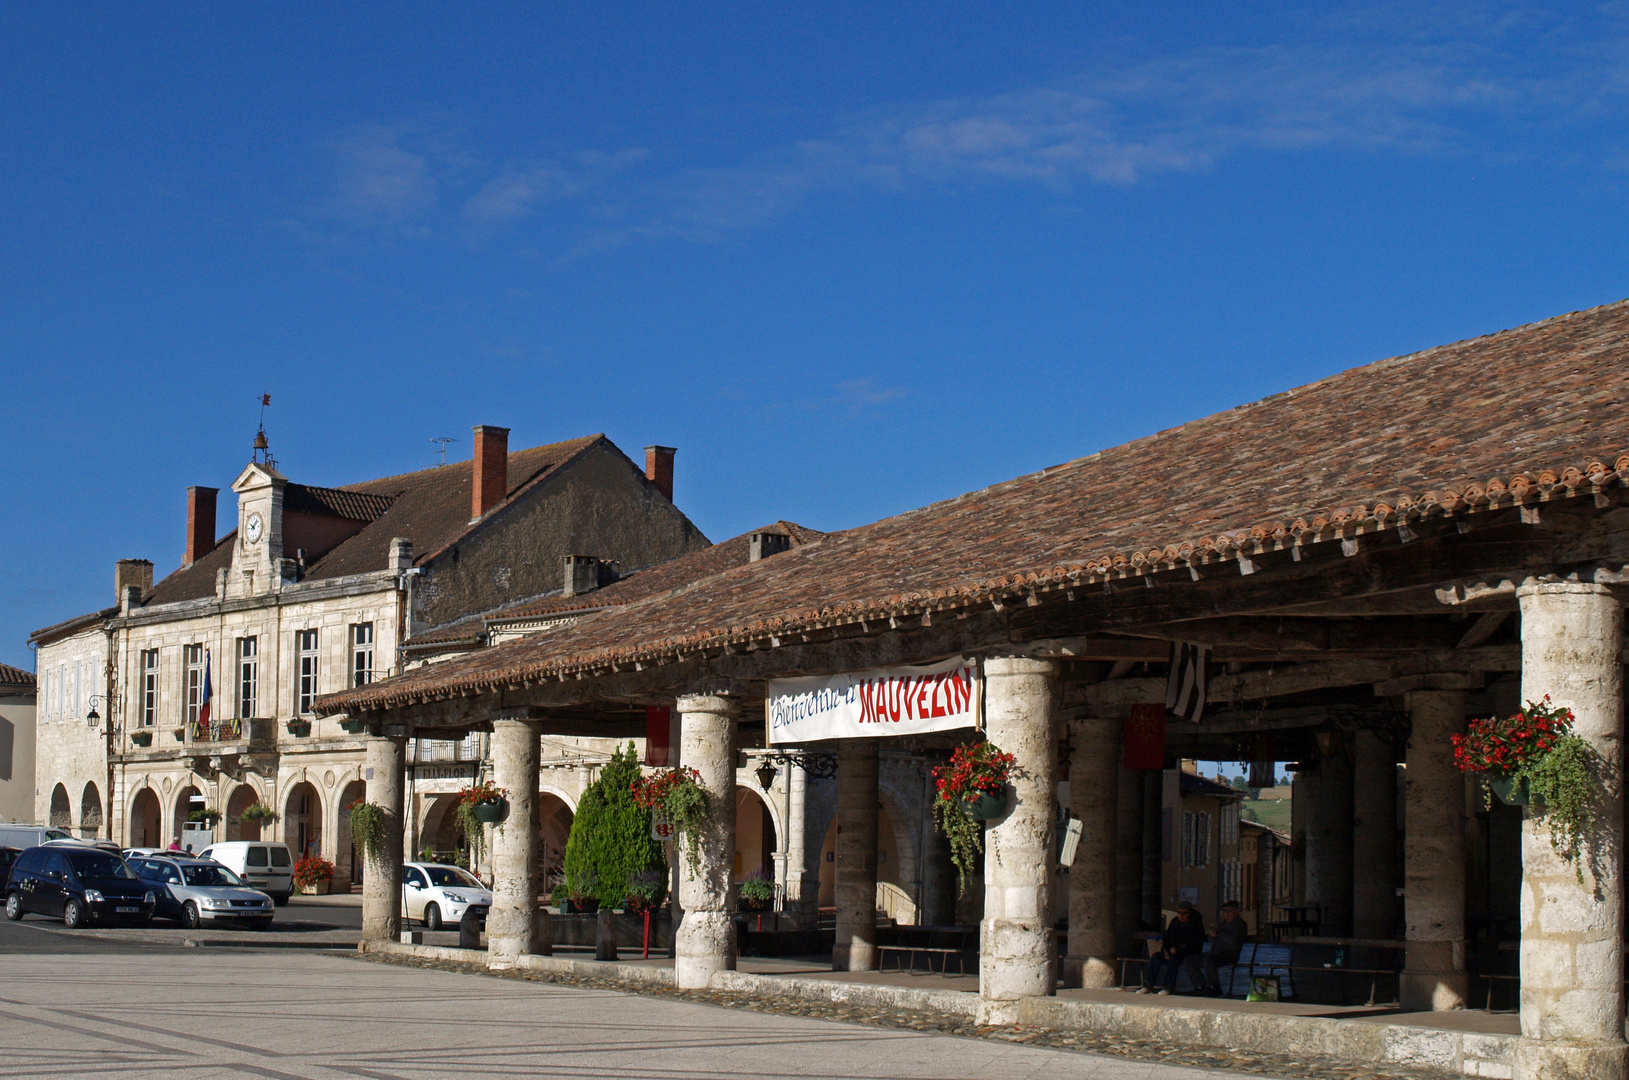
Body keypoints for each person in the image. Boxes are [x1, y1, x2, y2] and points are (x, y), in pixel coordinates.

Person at [1138, 901, 1206, 995]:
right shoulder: (1175, 922)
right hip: (1172, 951)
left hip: (1188, 954)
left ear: (1189, 913)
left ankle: (1168, 986)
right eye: (1179, 912)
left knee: (1173, 960)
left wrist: (1178, 949)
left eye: (1184, 913)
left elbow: (1195, 944)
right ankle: (1148, 985)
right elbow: (1167, 937)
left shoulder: (1196, 924)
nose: (1181, 915)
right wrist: (1165, 949)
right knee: (1156, 957)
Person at [1186, 900, 1249, 996]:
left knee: (1208, 960)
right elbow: (1212, 939)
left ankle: (1214, 986)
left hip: (1229, 954)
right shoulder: (1223, 923)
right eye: (1225, 911)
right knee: (1189, 960)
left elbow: (1232, 940)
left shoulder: (1240, 924)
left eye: (1229, 911)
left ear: (1236, 911)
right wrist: (1212, 934)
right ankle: (1201, 985)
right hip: (1214, 952)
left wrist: (1220, 933)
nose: (1227, 914)